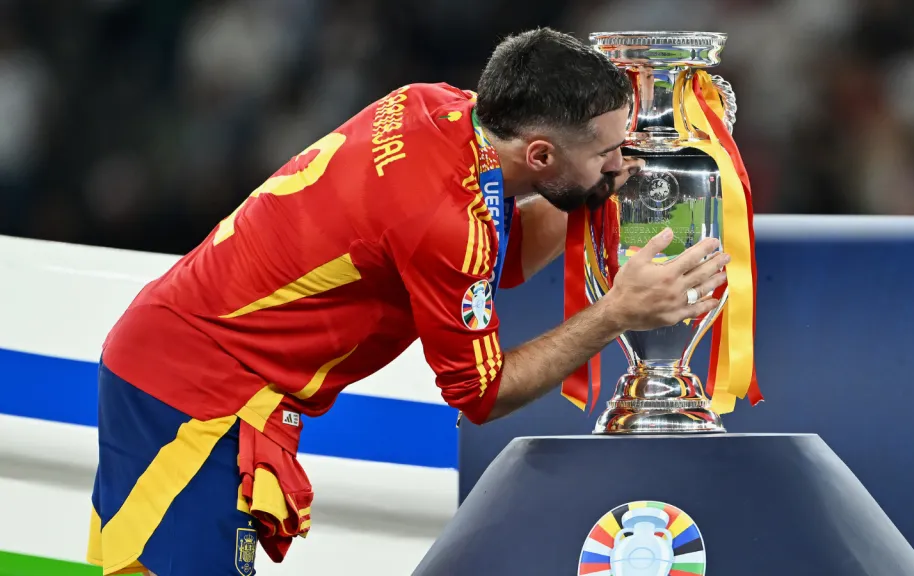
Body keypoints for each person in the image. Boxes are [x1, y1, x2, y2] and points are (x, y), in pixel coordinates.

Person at [85, 27, 730, 576]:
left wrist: (615, 187)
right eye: (611, 152)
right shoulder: (444, 220)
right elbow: (483, 393)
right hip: (193, 395)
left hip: (183, 362)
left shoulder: (434, 107)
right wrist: (614, 314)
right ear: (538, 152)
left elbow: (491, 253)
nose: (623, 163)